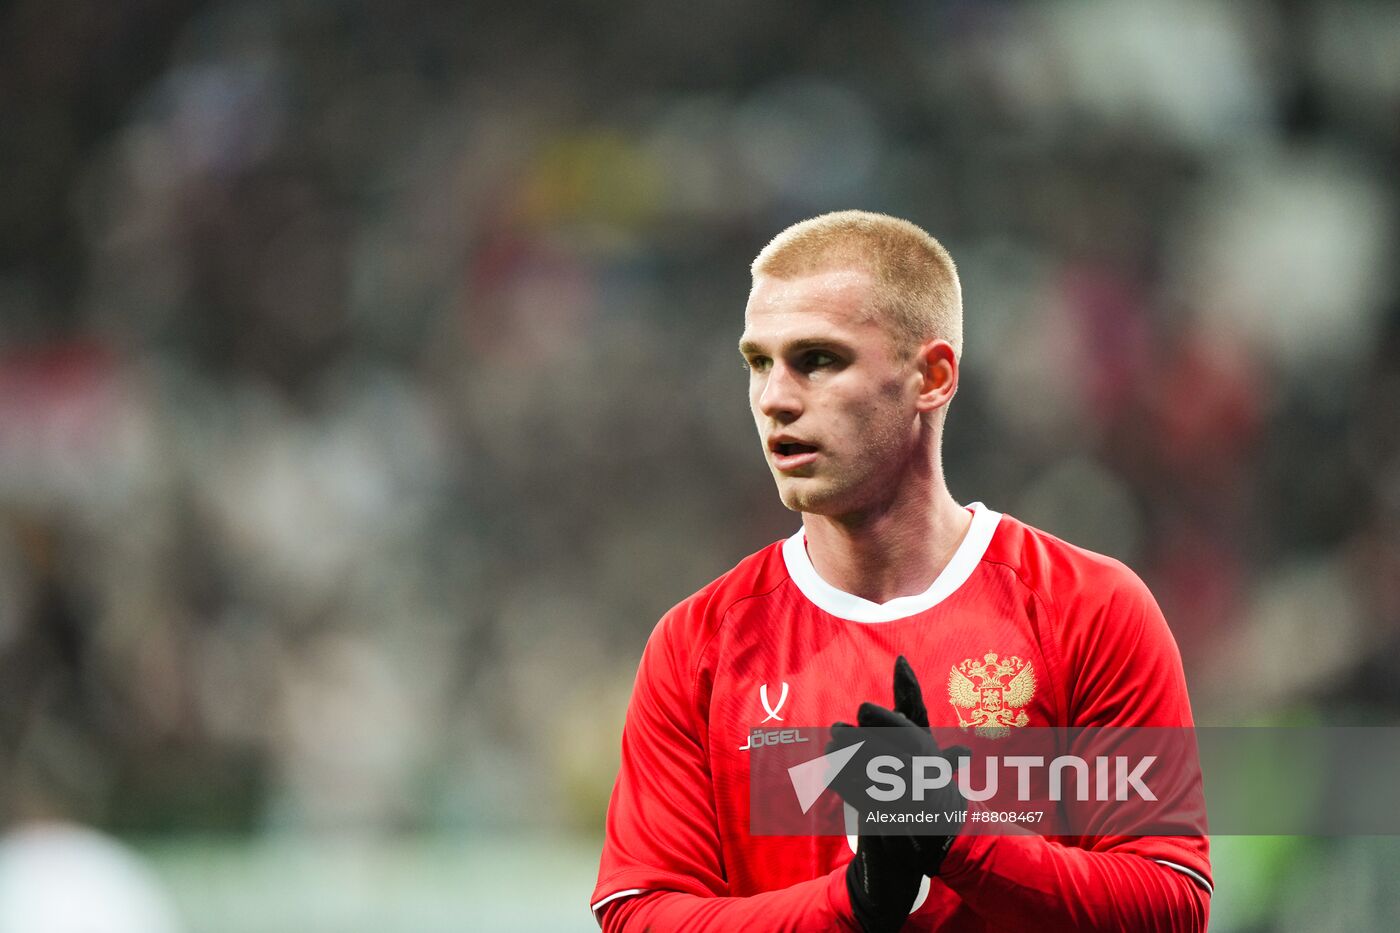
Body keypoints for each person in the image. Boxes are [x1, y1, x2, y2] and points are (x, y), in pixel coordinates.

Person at [590, 211, 1211, 931]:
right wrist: (854, 901)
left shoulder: (1089, 608)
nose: (775, 398)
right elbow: (642, 916)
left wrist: (957, 837)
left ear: (932, 376)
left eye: (818, 359)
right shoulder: (697, 644)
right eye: (758, 362)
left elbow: (1171, 905)